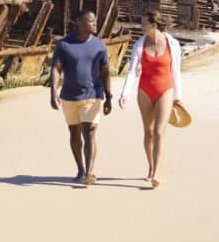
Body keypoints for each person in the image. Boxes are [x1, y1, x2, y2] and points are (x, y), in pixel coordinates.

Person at [118, 12, 183, 188]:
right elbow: (132, 71)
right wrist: (125, 94)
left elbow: (176, 71)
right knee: (148, 131)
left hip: (165, 89)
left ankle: (155, 174)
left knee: (159, 132)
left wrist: (179, 96)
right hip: (145, 91)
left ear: (154, 25)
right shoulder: (139, 45)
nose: (141, 26)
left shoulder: (172, 44)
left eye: (144, 23)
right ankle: (150, 166)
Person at [49, 9, 113, 185]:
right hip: (69, 96)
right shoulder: (64, 45)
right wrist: (53, 92)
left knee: (90, 131)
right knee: (74, 134)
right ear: (79, 22)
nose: (95, 24)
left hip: (93, 95)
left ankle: (90, 172)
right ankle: (80, 169)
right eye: (91, 21)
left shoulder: (100, 46)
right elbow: (56, 68)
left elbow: (105, 72)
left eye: (95, 21)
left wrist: (108, 97)